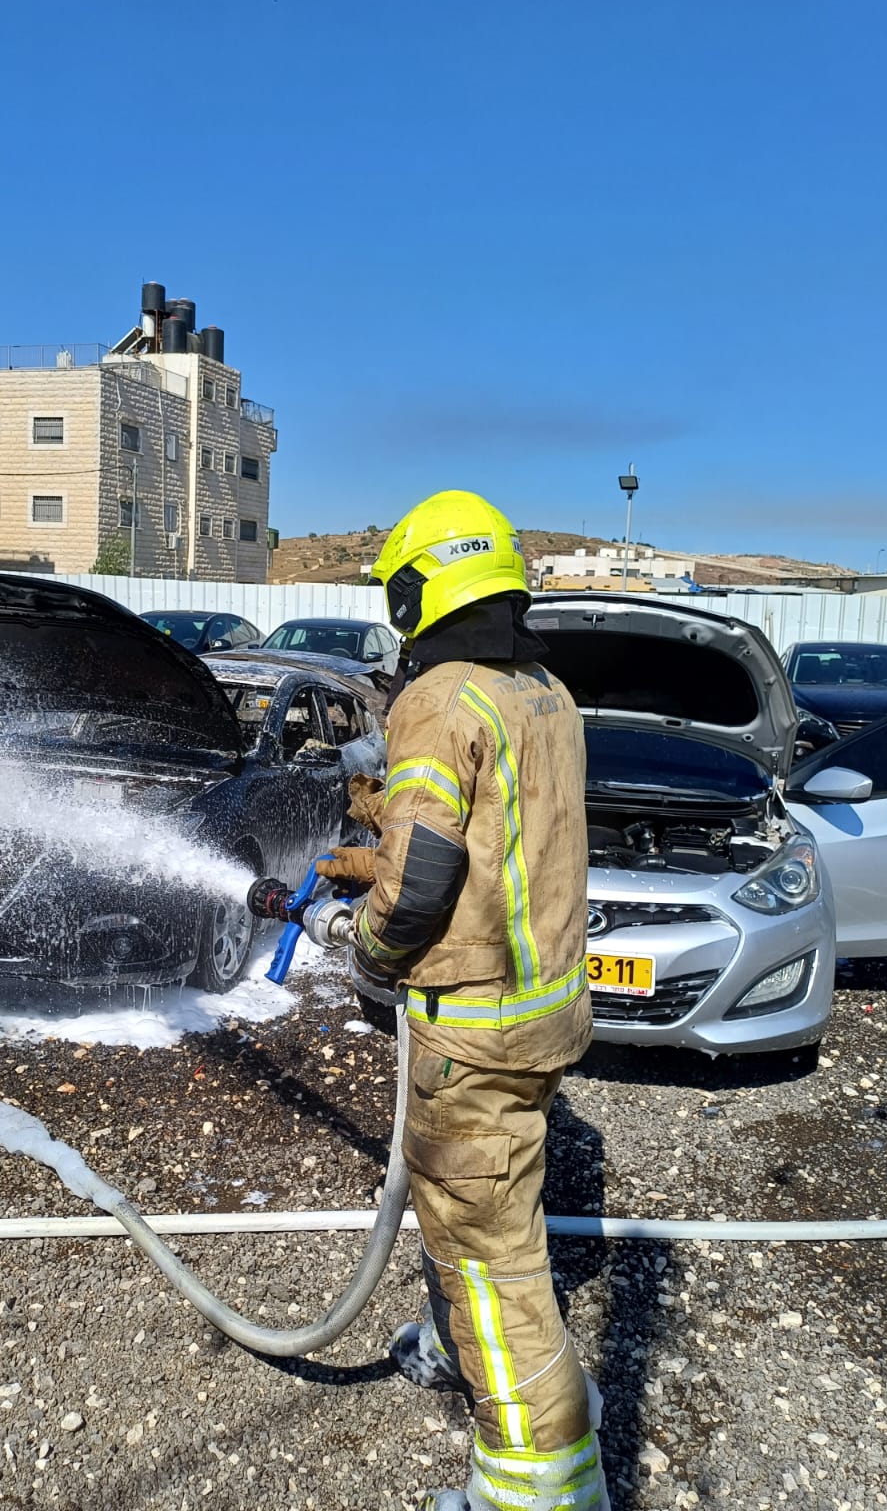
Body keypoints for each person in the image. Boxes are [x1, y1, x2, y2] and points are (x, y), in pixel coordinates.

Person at [320, 490, 610, 1511]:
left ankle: (542, 1483)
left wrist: (370, 951)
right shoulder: (544, 691)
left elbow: (424, 881)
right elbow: (498, 843)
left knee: (490, 1257)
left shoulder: (442, 698)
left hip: (476, 1031)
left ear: (418, 593)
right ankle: (463, 1350)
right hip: (544, 1014)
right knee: (480, 1208)